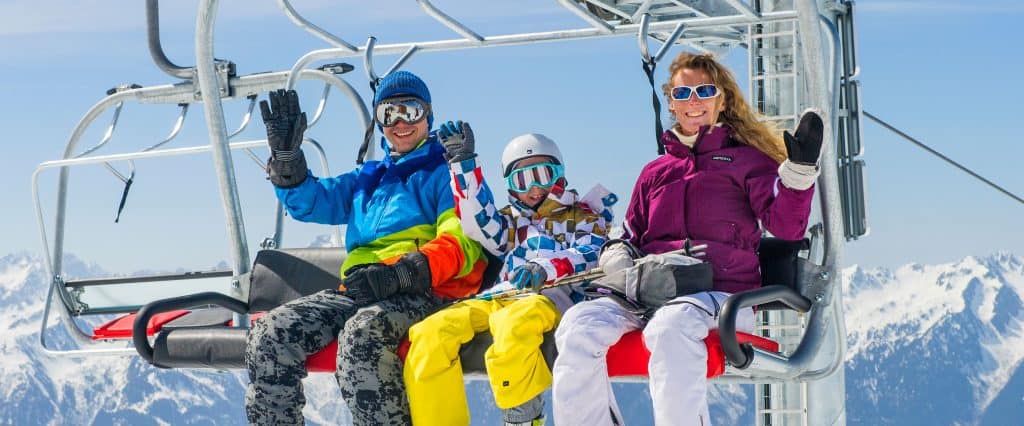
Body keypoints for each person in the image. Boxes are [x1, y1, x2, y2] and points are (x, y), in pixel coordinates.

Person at [551, 51, 823, 426]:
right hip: (651, 290)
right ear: (672, 104)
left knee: (670, 326)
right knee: (578, 324)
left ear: (721, 100)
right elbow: (632, 233)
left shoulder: (746, 162)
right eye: (683, 94)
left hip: (722, 293)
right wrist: (617, 254)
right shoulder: (656, 172)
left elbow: (788, 227)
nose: (693, 101)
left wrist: (797, 174)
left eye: (704, 91)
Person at [245, 71, 487, 425]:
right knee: (270, 333)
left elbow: (462, 243)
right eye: (389, 114)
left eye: (411, 110)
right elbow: (310, 202)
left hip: (422, 291)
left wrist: (402, 273)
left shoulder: (445, 174)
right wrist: (287, 161)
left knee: (362, 337)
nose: (400, 123)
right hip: (360, 290)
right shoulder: (369, 178)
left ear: (428, 116)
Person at [403, 127, 616, 426]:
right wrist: (463, 164)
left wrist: (546, 268)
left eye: (543, 174)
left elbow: (590, 254)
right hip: (500, 295)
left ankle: (522, 420)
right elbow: (478, 221)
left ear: (560, 174)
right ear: (511, 186)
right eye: (522, 179)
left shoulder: (583, 217)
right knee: (429, 334)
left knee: (512, 326)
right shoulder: (509, 223)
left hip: (549, 298)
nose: (534, 188)